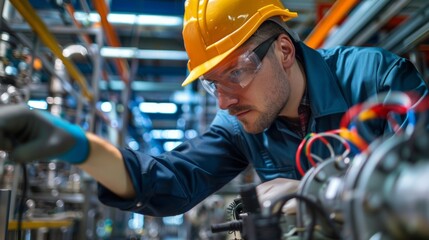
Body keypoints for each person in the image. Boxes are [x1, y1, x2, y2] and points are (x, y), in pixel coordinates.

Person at [0, 0, 427, 217]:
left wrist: (307, 191)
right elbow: (172, 180)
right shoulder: (239, 126)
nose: (223, 101)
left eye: (235, 74)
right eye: (211, 85)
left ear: (282, 51)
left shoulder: (377, 80)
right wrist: (80, 148)